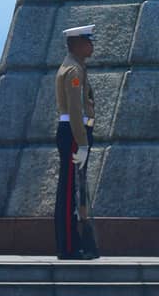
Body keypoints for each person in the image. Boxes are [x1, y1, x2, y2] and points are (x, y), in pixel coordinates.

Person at [54, 24, 100, 260]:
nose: (92, 45)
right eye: (88, 41)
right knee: (71, 191)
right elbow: (74, 110)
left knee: (74, 190)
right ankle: (69, 246)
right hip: (74, 133)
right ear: (76, 44)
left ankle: (73, 244)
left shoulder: (78, 67)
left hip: (74, 132)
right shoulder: (73, 71)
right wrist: (81, 143)